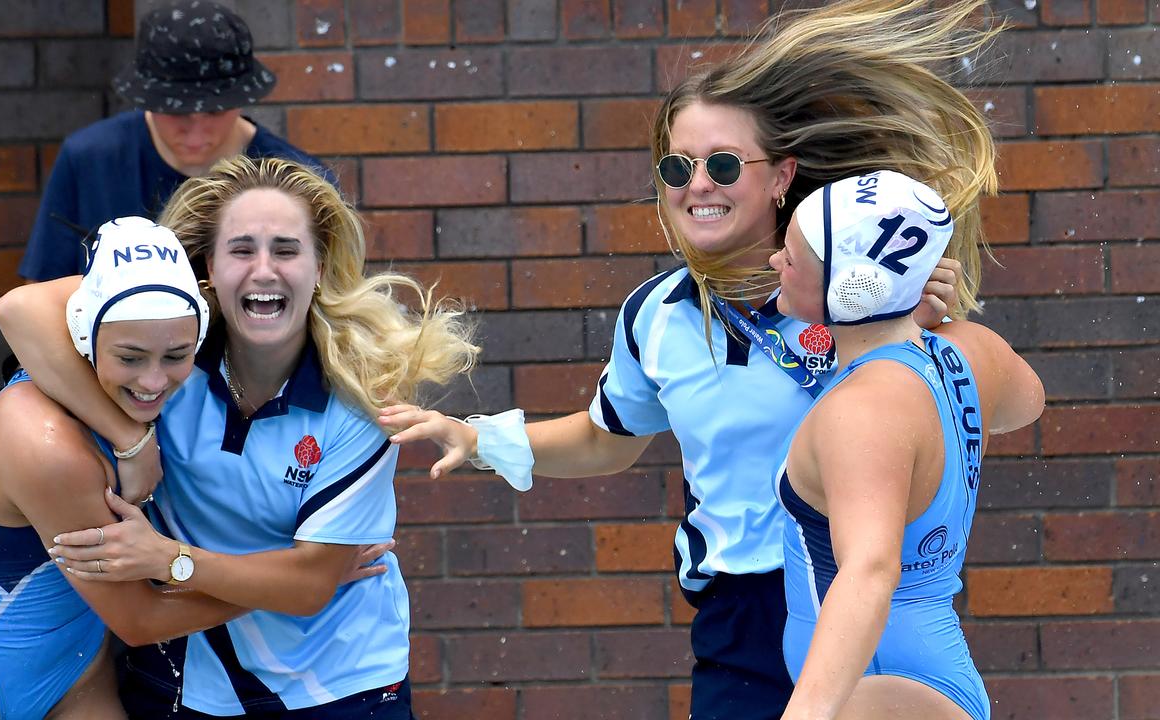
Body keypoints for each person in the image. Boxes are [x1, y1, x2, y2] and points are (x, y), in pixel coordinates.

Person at [377, 1, 1002, 718]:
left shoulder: (863, 299)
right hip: (738, 622)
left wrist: (932, 327)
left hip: (863, 598)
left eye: (725, 163)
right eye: (678, 164)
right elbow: (604, 439)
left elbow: (976, 411)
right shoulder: (658, 314)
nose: (697, 183)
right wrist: (478, 439)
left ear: (780, 177)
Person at [0, 155, 479, 718]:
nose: (264, 269)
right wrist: (131, 439)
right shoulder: (166, 352)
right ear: (206, 267)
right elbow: (18, 309)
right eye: (242, 249)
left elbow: (307, 587)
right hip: (182, 685)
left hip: (337, 690)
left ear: (320, 267)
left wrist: (168, 559)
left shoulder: (360, 398)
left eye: (287, 250)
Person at [0, 217, 247, 720]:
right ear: (83, 330)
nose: (154, 379)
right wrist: (293, 586)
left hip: (76, 671)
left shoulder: (107, 353)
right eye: (130, 357)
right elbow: (139, 619)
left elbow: (22, 305)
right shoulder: (45, 445)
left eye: (177, 355)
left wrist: (131, 437)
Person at [768, 170, 1044, 720]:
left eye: (792, 257)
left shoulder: (860, 411)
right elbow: (1026, 402)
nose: (776, 261)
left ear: (850, 287)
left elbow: (871, 570)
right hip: (927, 673)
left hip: (874, 687)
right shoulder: (969, 349)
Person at [19, 0, 334, 282]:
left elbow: (336, 303)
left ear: (241, 100)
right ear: (146, 100)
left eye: (214, 109)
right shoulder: (90, 160)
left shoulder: (301, 180)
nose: (196, 131)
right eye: (175, 110)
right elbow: (40, 298)